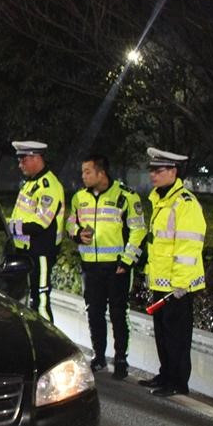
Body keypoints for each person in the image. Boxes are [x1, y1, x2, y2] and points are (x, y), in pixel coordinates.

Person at [66, 154, 147, 379]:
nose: (83, 176)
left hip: (117, 267)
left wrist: (126, 261)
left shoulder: (126, 197)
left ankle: (121, 358)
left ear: (101, 173)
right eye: (83, 172)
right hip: (90, 266)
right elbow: (70, 221)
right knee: (94, 312)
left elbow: (138, 231)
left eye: (87, 172)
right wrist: (76, 234)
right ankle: (99, 356)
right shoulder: (79, 197)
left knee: (119, 313)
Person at [138, 148, 206, 397]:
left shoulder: (184, 203)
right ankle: (166, 374)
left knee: (177, 335)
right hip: (161, 282)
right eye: (152, 170)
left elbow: (188, 246)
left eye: (159, 170)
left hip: (178, 286)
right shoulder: (160, 200)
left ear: (173, 172)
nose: (153, 175)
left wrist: (179, 284)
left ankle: (177, 382)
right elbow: (157, 244)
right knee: (163, 333)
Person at [8, 141, 65, 322]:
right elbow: (23, 217)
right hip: (26, 251)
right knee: (25, 303)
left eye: (23, 160)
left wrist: (9, 227)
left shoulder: (49, 186)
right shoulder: (31, 183)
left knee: (39, 303)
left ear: (36, 157)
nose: (20, 164)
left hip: (40, 253)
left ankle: (49, 344)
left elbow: (40, 224)